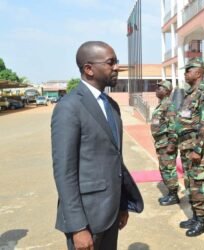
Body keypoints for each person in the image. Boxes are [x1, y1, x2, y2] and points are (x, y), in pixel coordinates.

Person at [51, 41, 143, 250]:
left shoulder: (112, 106)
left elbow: (114, 160)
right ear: (89, 69)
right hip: (87, 217)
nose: (117, 67)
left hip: (110, 213)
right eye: (111, 62)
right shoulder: (69, 107)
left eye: (116, 62)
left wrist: (122, 205)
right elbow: (64, 172)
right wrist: (77, 227)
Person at [175, 57, 204, 237]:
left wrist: (198, 150)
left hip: (198, 150)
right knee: (190, 184)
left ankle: (203, 221)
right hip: (187, 148)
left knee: (199, 185)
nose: (185, 73)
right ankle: (196, 217)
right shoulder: (189, 93)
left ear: (198, 72)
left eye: (188, 70)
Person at [151, 80, 180, 206]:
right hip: (161, 143)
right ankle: (170, 192)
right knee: (164, 169)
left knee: (168, 169)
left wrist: (172, 144)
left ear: (167, 91)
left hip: (166, 144)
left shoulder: (169, 105)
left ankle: (174, 195)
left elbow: (173, 126)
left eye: (160, 88)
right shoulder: (162, 104)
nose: (157, 90)